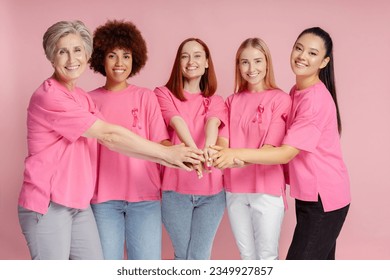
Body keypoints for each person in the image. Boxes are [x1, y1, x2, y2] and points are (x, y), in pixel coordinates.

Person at [17, 20, 203, 260]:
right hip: (49, 203)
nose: (72, 58)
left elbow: (118, 142)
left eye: (77, 50)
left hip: (78, 204)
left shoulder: (82, 98)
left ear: (86, 55)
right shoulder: (49, 96)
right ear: (51, 57)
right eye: (62, 51)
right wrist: (168, 154)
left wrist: (173, 158)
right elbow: (109, 135)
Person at [212, 27, 351, 260]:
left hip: (324, 198)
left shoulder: (315, 100)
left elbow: (285, 153)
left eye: (312, 53)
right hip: (308, 196)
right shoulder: (297, 91)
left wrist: (233, 153)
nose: (302, 56)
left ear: (324, 62)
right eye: (299, 48)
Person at [88, 20, 168, 260]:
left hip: (144, 197)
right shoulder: (88, 101)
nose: (120, 63)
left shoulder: (146, 97)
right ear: (101, 58)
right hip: (102, 199)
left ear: (135, 59)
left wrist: (181, 153)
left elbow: (161, 144)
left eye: (126, 55)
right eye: (112, 55)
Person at [154, 38, 227, 260]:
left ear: (206, 63)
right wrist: (195, 152)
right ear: (178, 62)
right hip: (175, 191)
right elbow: (176, 120)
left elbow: (212, 123)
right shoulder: (163, 94)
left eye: (197, 56)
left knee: (199, 255)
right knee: (184, 254)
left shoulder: (216, 100)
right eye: (185, 56)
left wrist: (207, 150)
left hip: (212, 193)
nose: (190, 61)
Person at [221, 38, 291, 260]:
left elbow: (270, 151)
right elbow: (223, 143)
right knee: (246, 256)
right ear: (238, 66)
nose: (252, 69)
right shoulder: (231, 101)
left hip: (266, 190)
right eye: (245, 62)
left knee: (267, 256)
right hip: (235, 190)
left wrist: (233, 155)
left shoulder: (281, 100)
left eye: (258, 61)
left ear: (267, 63)